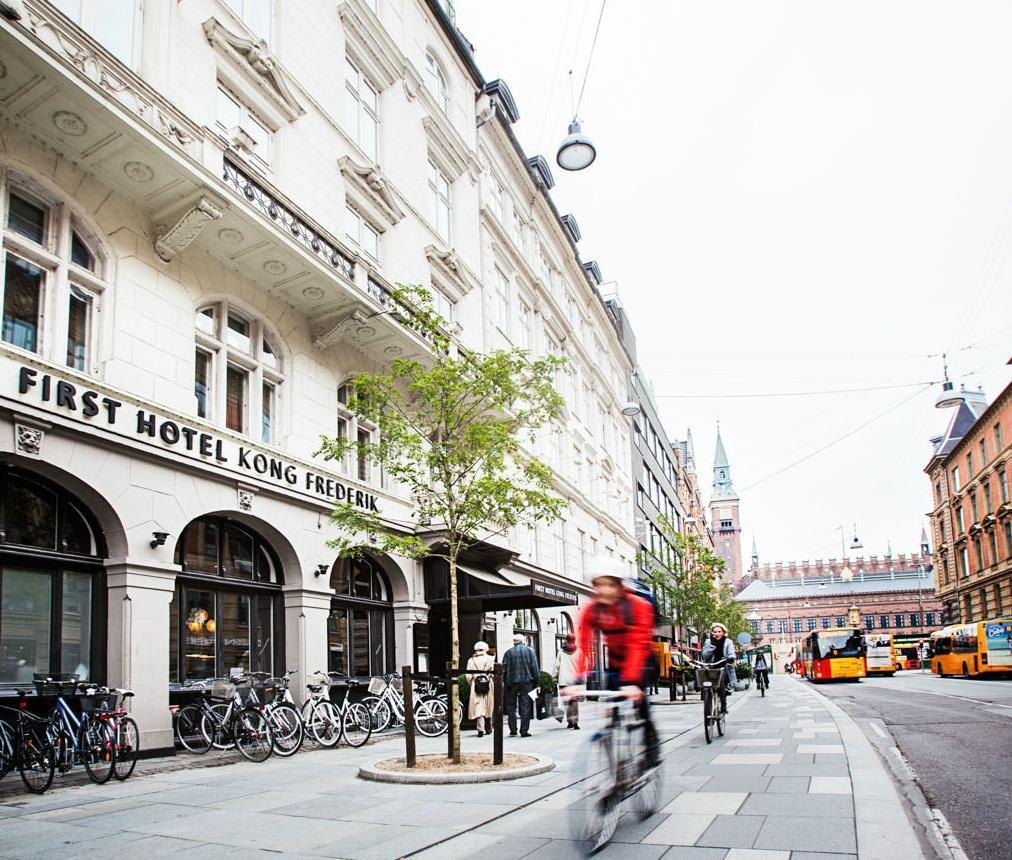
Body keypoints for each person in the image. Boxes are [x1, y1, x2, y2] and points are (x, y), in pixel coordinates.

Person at [565, 557, 659, 768]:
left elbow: (637, 643)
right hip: (616, 663)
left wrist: (632, 682)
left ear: (620, 585)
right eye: (599, 585)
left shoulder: (638, 606)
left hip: (642, 660)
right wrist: (578, 680)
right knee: (612, 709)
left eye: (610, 584)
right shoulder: (592, 610)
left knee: (639, 703)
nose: (605, 590)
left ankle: (651, 746)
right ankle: (617, 770)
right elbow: (585, 645)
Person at [501, 632, 540, 737]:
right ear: (523, 641)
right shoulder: (530, 651)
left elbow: (503, 670)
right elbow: (535, 668)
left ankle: (513, 729)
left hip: (511, 683)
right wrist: (537, 682)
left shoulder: (508, 653)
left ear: (514, 642)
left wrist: (505, 681)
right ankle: (524, 730)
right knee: (525, 706)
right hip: (526, 682)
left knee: (510, 706)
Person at [700, 622, 737, 705]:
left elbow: (731, 653)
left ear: (723, 632)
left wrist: (731, 658)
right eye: (715, 631)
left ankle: (723, 704)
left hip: (723, 665)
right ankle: (708, 703)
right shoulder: (708, 642)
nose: (717, 633)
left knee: (721, 682)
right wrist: (711, 647)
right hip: (711, 666)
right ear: (712, 632)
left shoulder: (728, 642)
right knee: (706, 684)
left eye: (719, 631)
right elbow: (705, 655)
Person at [466, 640, 495, 737]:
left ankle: (480, 729)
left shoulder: (471, 660)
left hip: (476, 684)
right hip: (488, 684)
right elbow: (494, 673)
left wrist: (472, 683)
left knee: (478, 706)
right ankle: (489, 727)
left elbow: (468, 676)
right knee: (488, 705)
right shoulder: (490, 659)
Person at [554, 633, 581, 729]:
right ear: (574, 640)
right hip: (574, 681)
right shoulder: (579, 652)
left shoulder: (561, 652)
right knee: (574, 701)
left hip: (563, 680)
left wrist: (554, 677)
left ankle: (570, 721)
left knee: (567, 701)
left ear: (566, 640)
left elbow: (556, 666)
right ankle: (575, 722)